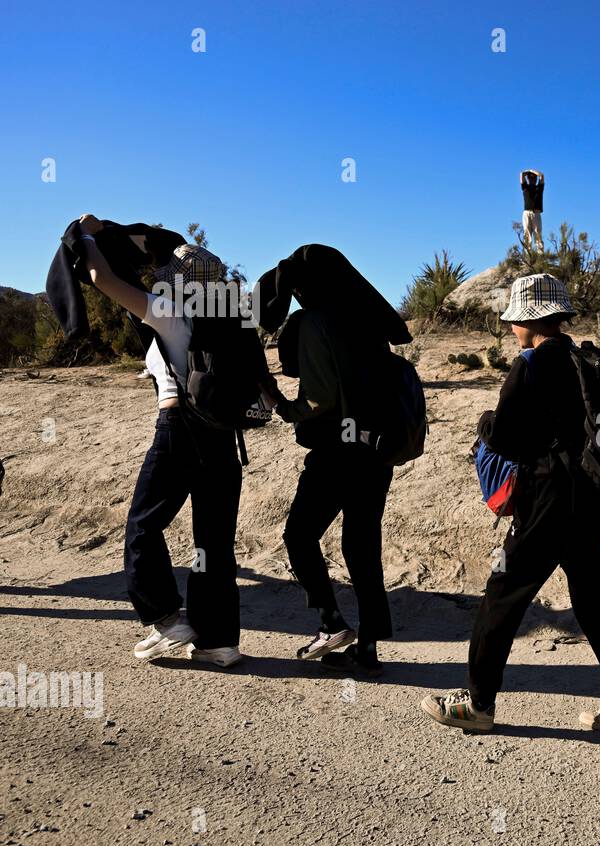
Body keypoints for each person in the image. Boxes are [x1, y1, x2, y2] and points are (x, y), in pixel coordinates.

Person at [421, 273, 600, 736]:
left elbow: (504, 438)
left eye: (514, 320)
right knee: (595, 602)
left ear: (529, 320)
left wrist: (486, 422)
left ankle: (478, 704)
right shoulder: (586, 360)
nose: (511, 328)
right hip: (588, 497)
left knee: (502, 594)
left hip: (544, 497)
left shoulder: (530, 366)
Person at [77, 213, 244, 667]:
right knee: (213, 543)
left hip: (178, 431)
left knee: (143, 526)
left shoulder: (172, 312)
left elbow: (102, 279)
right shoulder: (230, 319)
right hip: (223, 440)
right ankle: (219, 641)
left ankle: (168, 619)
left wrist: (88, 236)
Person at [261, 308, 396, 677]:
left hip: (336, 455)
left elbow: (318, 400)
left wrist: (280, 403)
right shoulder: (362, 322)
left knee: (299, 535)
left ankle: (331, 623)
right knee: (362, 548)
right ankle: (367, 649)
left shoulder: (314, 321)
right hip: (376, 453)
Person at [519, 169, 544, 251]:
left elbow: (542, 176)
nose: (532, 178)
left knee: (538, 234)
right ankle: (528, 256)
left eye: (533, 177)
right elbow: (521, 174)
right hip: (526, 213)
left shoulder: (539, 188)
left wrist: (532, 171)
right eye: (530, 177)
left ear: (536, 179)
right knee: (527, 234)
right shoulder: (525, 187)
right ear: (528, 178)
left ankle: (540, 255)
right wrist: (528, 172)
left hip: (536, 213)